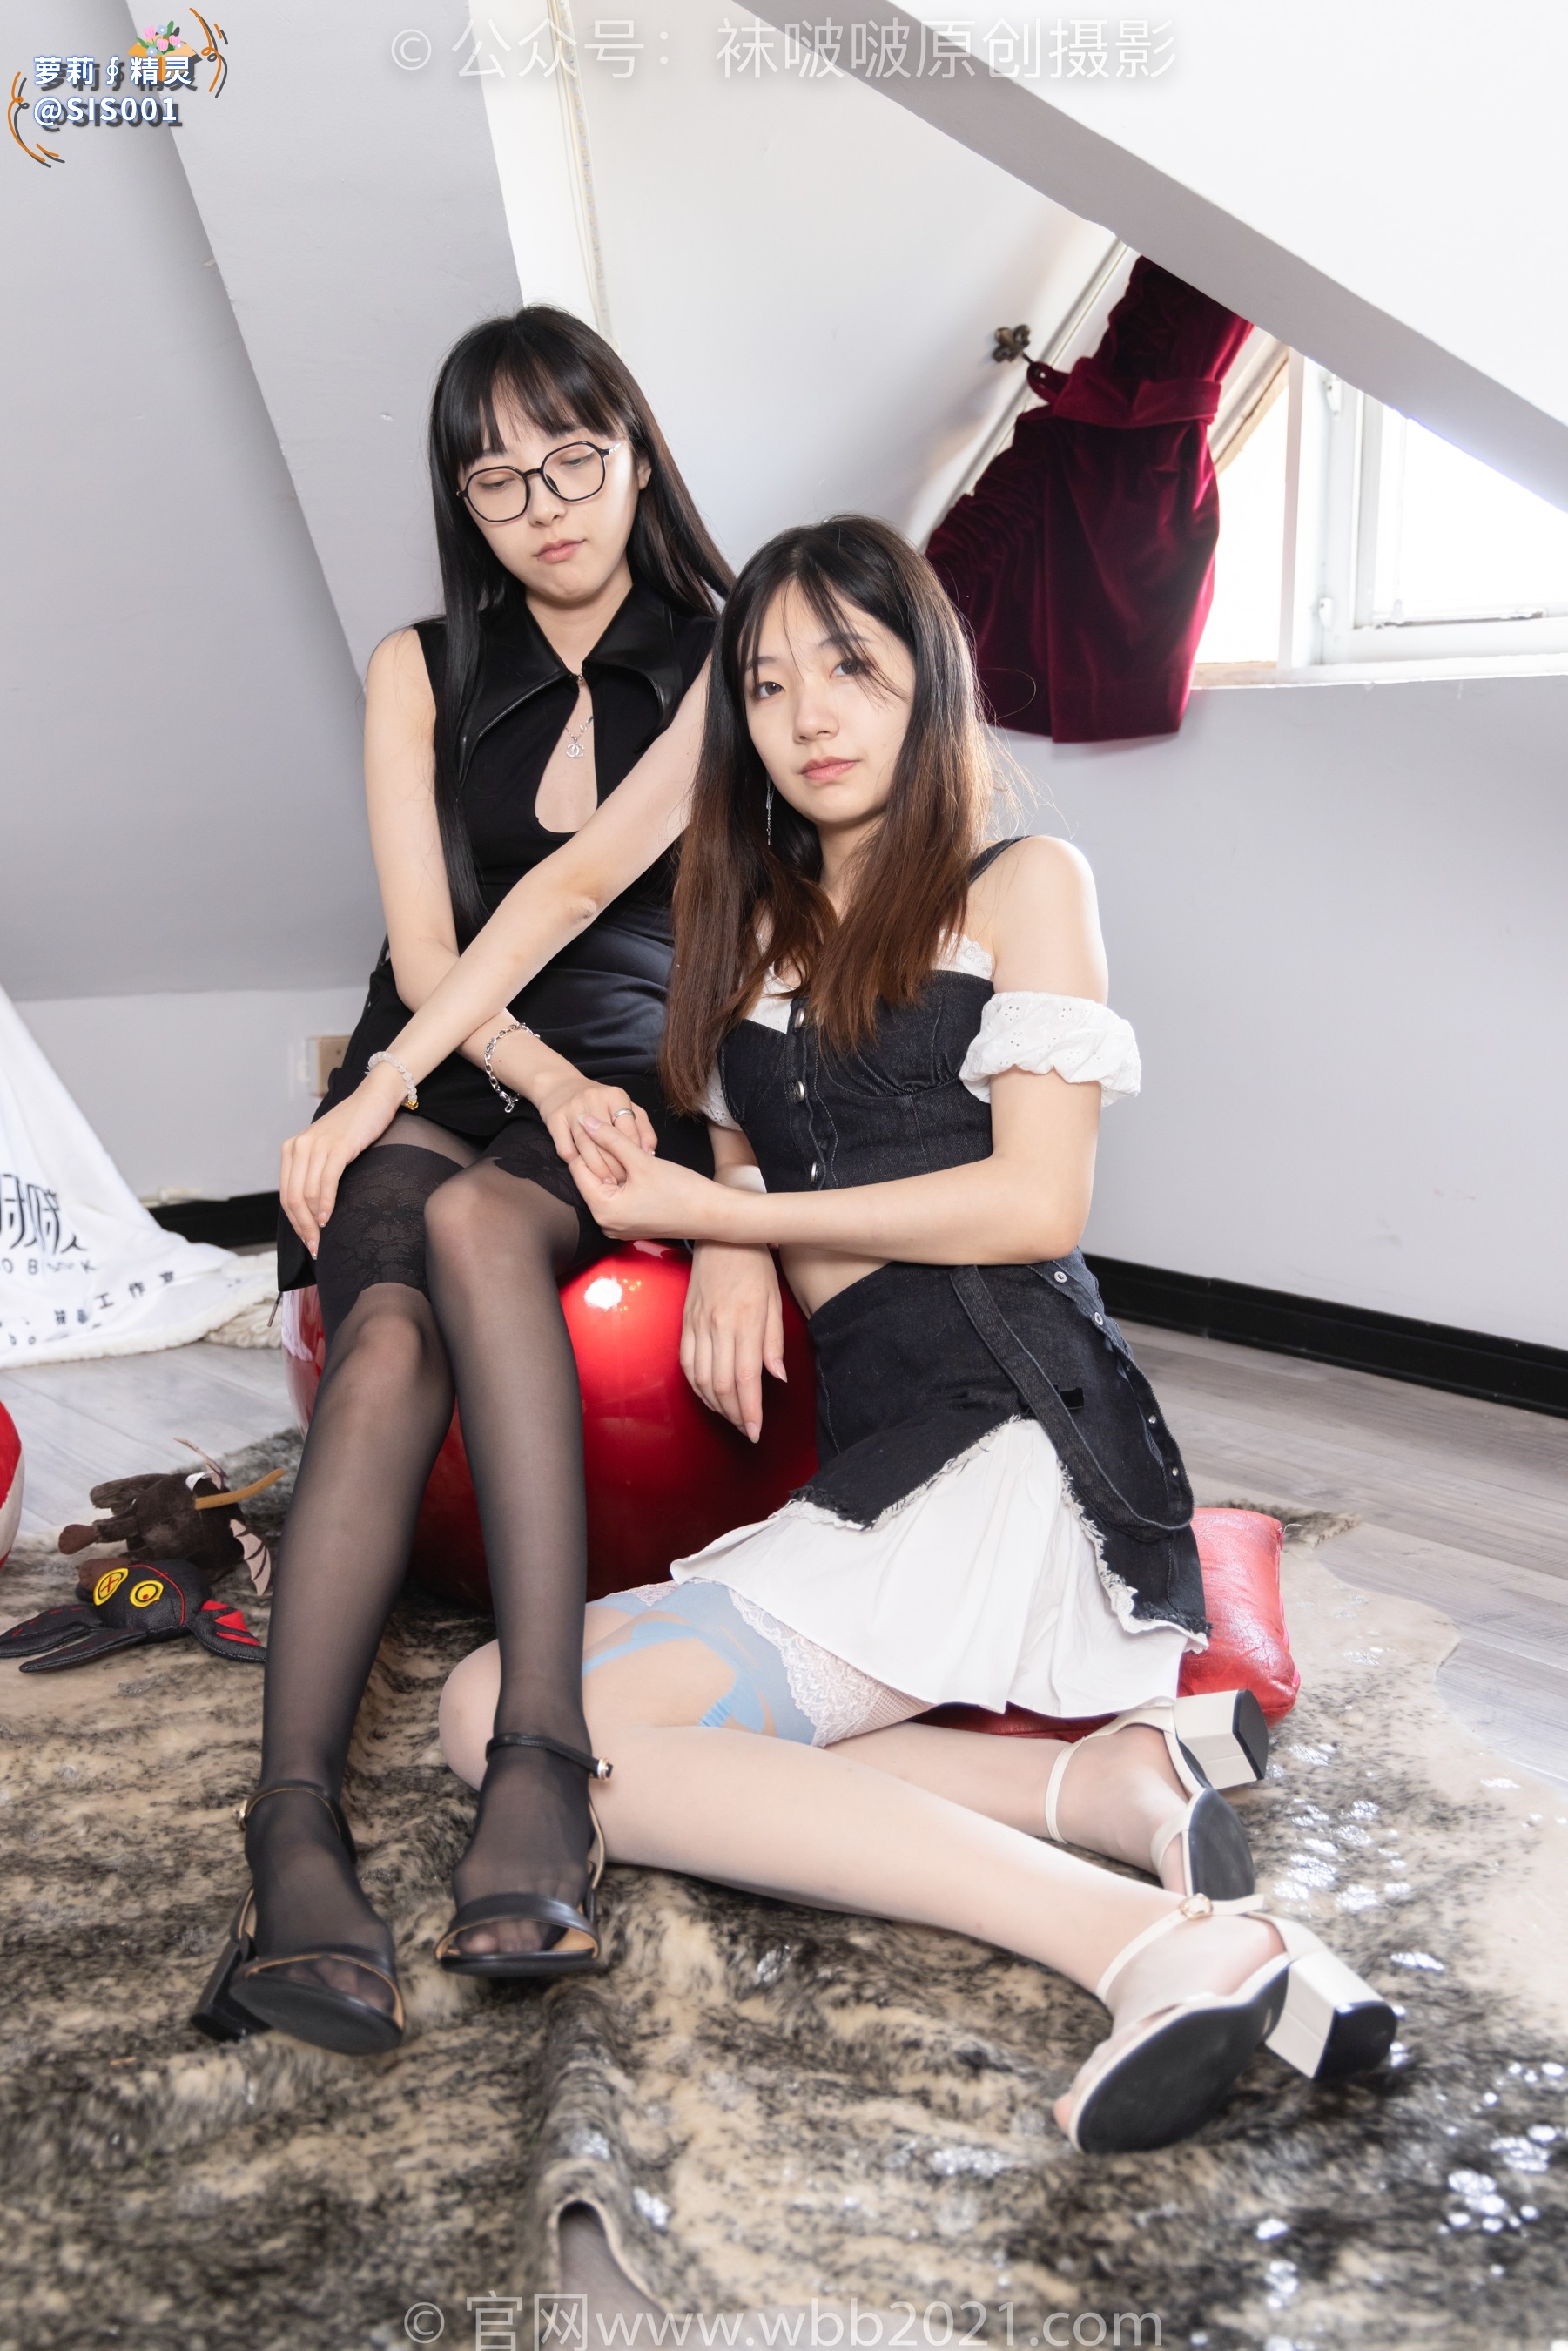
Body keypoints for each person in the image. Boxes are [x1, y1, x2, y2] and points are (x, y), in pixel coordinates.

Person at [429, 515, 1397, 2152]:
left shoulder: (1023, 883)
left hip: (1017, 1426)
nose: (808, 713)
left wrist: (731, 1224)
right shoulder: (749, 926)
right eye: (766, 683)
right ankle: (1096, 1788)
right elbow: (759, 1143)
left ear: (925, 680)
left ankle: (1152, 1944)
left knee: (515, 1727)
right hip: (889, 1445)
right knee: (506, 1701)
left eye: (850, 667)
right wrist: (720, 1229)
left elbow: (1034, 1203)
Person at [194, 307, 730, 2057]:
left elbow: (621, 912)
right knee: (380, 1335)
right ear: (459, 500)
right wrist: (423, 1088)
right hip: (441, 1049)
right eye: (498, 480)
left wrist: (639, 1118)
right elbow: (430, 951)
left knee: (476, 1225)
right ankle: (291, 1829)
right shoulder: (417, 667)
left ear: (634, 457)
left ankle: (540, 1758)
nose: (544, 506)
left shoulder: (729, 654)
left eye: (574, 460)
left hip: (628, 1071)